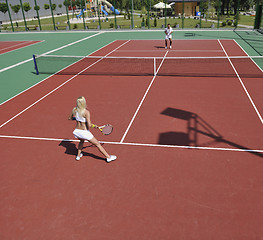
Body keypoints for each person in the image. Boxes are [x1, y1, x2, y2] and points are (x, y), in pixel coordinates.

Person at [69, 96, 117, 162]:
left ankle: (78, 156)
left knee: (81, 141)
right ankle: (108, 157)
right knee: (97, 144)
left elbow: (71, 118)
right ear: (84, 103)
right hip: (84, 132)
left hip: (77, 131)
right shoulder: (86, 112)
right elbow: (89, 125)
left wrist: (78, 118)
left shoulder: (74, 110)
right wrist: (95, 126)